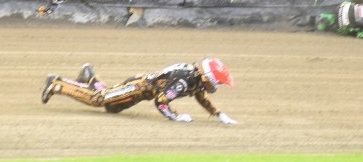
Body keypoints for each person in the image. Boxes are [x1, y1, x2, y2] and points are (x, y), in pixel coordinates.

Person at [41, 58, 237, 124]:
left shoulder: (194, 80)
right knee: (99, 100)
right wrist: (175, 117)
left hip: (141, 89)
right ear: (206, 78)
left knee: (112, 108)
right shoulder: (184, 82)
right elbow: (161, 102)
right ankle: (57, 84)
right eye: (215, 83)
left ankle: (90, 77)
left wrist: (218, 114)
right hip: (137, 88)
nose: (215, 87)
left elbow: (201, 98)